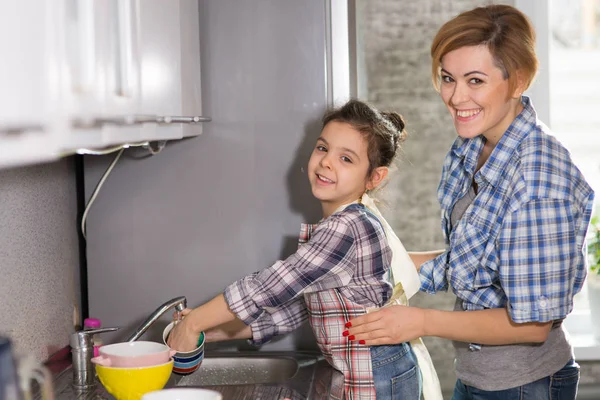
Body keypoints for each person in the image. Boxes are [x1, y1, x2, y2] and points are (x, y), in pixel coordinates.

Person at [344, 4, 596, 400]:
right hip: (479, 377)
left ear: (520, 80)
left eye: (475, 80)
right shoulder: (474, 146)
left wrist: (420, 321)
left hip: (524, 386)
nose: (456, 96)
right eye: (448, 78)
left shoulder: (539, 180)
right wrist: (381, 262)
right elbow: (474, 258)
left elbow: (533, 325)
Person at [167, 99, 442, 399]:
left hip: (377, 373)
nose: (326, 162)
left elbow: (269, 287)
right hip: (372, 368)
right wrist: (208, 331)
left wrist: (196, 322)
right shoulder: (342, 223)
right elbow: (295, 309)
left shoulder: (345, 228)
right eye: (323, 148)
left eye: (346, 159)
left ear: (374, 178)